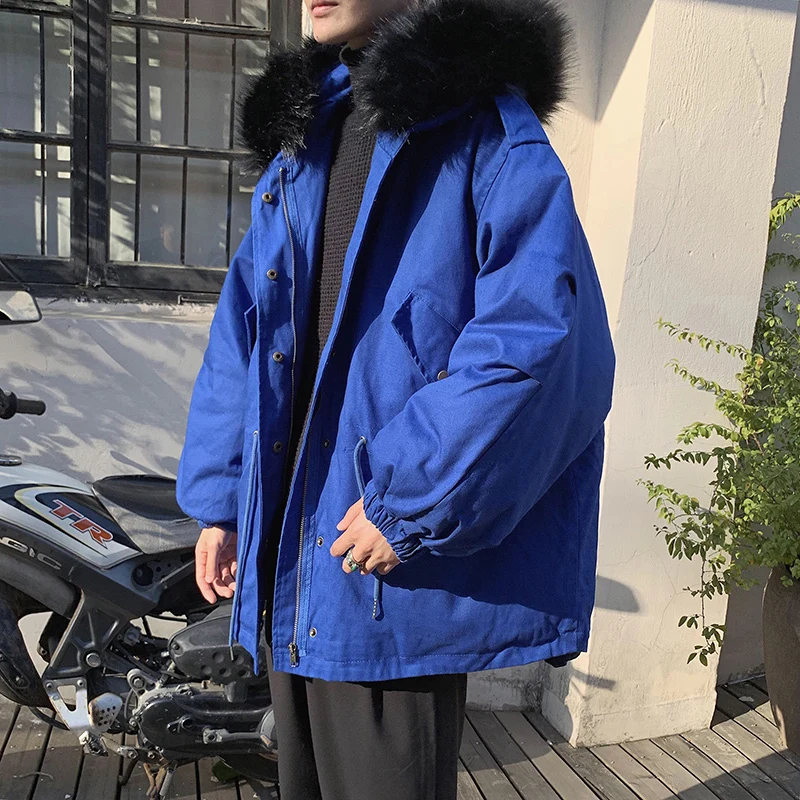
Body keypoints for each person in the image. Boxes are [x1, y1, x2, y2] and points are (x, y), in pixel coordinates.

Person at [175, 0, 616, 796]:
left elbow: (542, 343)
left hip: (386, 569)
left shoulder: (485, 135)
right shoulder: (305, 139)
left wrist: (409, 499)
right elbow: (247, 330)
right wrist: (222, 501)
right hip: (293, 555)